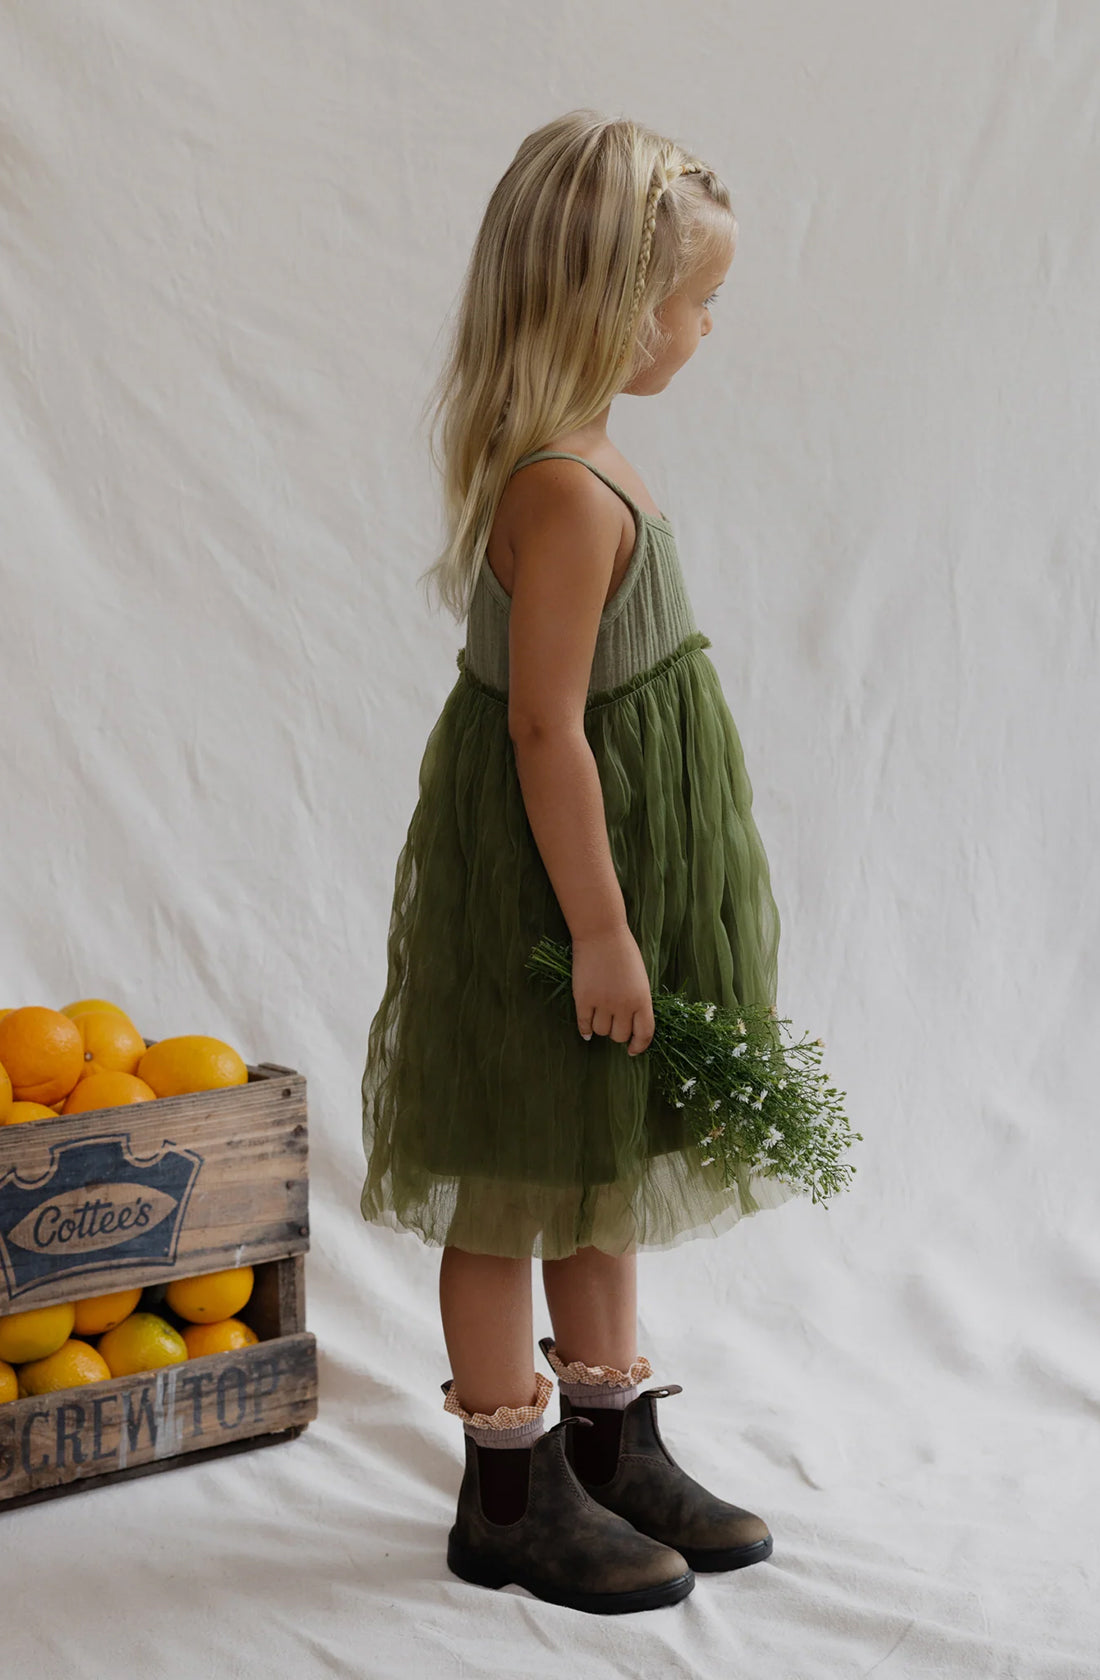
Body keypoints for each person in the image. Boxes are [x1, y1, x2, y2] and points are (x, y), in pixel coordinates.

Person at [360, 109, 799, 1615]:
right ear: (615, 305)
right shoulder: (559, 481)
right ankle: (505, 1490)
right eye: (691, 300)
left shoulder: (590, 454)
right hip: (555, 884)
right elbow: (547, 730)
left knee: (596, 1161)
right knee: (506, 1176)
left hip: (610, 875)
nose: (704, 326)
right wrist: (602, 929)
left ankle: (612, 1441)